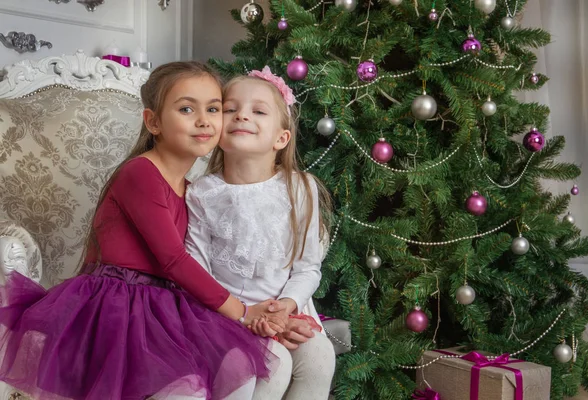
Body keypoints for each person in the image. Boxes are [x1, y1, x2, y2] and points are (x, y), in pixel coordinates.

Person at [0, 61, 285, 400]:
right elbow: (173, 260)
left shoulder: (195, 189)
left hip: (166, 304)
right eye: (186, 108)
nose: (203, 120)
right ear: (153, 122)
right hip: (115, 306)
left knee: (260, 368)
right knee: (187, 391)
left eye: (213, 108)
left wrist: (269, 308)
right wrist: (242, 311)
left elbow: (208, 260)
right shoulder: (141, 174)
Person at [185, 66, 336, 400]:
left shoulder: (301, 189)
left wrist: (284, 309)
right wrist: (244, 318)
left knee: (319, 359)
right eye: (229, 109)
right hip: (224, 316)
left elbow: (308, 267)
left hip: (285, 311)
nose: (241, 116)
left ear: (280, 139)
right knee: (272, 367)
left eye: (258, 111)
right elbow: (197, 271)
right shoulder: (201, 193)